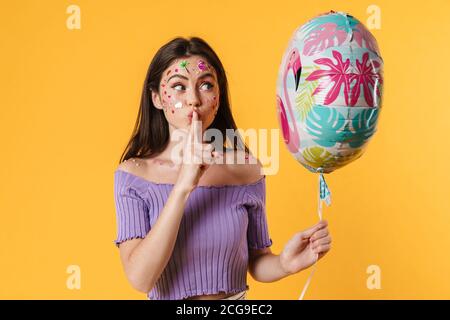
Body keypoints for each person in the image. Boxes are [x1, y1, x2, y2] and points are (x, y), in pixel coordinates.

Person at [113, 37, 331, 300]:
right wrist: (183, 185)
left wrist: (284, 263)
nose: (194, 99)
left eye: (205, 85)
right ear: (157, 98)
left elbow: (257, 261)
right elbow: (140, 278)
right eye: (178, 87)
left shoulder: (247, 170)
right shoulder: (133, 176)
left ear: (218, 95)